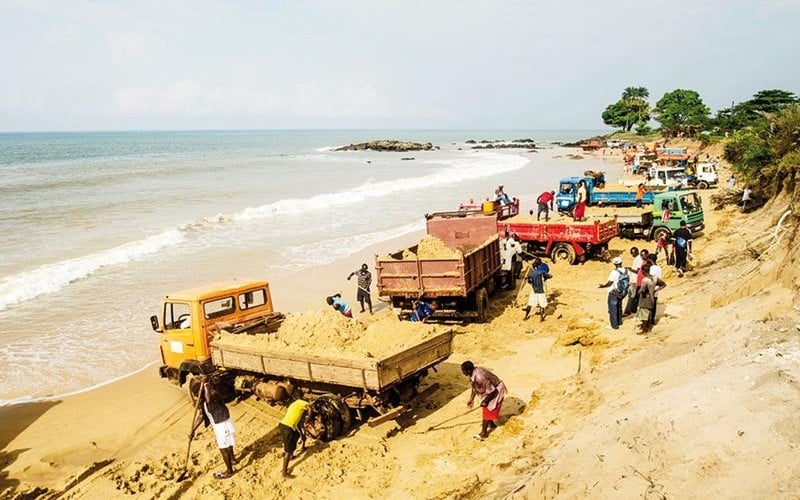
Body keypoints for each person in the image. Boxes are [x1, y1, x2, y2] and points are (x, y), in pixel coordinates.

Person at [189, 375, 235, 480]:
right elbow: (201, 416)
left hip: (221, 424)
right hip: (224, 422)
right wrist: (193, 430)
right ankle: (233, 459)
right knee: (229, 442)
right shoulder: (203, 400)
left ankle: (229, 471)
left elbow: (209, 399)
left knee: (223, 448)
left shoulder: (212, 395)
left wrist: (205, 385)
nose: (195, 396)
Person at [461, 360, 507, 441]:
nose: (462, 372)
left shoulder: (480, 377)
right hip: (490, 391)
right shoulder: (473, 373)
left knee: (487, 411)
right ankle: (491, 424)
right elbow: (474, 387)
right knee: (487, 409)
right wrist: (471, 399)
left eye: (463, 370)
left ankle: (484, 433)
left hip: (496, 390)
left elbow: (493, 391)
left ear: (468, 370)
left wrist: (485, 401)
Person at [278, 398, 310, 479]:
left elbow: (298, 424)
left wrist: (302, 435)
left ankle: (291, 456)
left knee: (296, 435)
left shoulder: (294, 405)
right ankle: (284, 473)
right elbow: (310, 409)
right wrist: (307, 420)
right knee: (288, 450)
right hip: (287, 427)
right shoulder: (302, 402)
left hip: (283, 425)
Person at [598, 256, 628, 330]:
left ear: (614, 264)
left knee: (612, 309)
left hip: (614, 292)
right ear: (621, 263)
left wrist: (603, 286)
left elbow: (610, 283)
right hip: (622, 291)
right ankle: (619, 322)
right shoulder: (625, 270)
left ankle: (614, 326)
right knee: (619, 306)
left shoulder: (614, 272)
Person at [636, 263, 667, 334]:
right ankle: (648, 328)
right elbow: (663, 284)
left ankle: (645, 330)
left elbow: (642, 290)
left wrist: (639, 292)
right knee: (649, 314)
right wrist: (656, 290)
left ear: (643, 271)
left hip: (645, 299)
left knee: (644, 315)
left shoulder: (645, 280)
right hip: (652, 297)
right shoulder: (655, 278)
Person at [646, 254, 663, 326]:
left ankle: (648, 321)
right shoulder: (659, 268)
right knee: (654, 304)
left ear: (650, 260)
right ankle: (652, 320)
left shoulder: (652, 268)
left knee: (648, 305)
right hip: (657, 288)